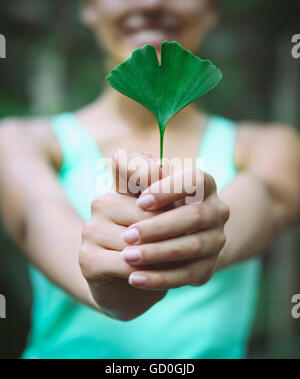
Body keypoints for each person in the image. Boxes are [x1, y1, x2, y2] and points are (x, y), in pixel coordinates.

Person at [0, 0, 299, 359]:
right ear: (89, 7)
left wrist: (206, 231)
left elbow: (262, 200)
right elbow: (39, 219)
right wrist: (110, 281)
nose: (151, 2)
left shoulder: (271, 147)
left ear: (211, 9)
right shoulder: (21, 141)